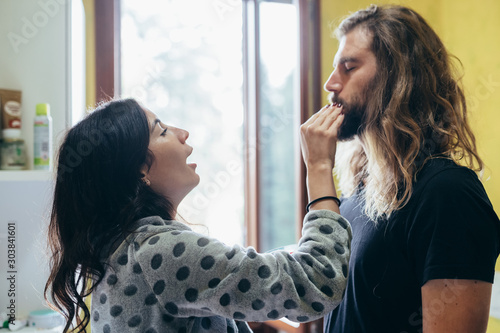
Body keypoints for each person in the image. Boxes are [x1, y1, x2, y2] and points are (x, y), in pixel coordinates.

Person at [44, 98, 351, 333]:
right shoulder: (159, 253)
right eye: (162, 131)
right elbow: (316, 283)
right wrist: (320, 167)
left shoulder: (118, 249)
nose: (182, 133)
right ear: (139, 169)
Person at [321, 4, 500, 333]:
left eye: (349, 67)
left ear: (396, 77)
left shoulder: (449, 194)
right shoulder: (360, 191)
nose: (331, 84)